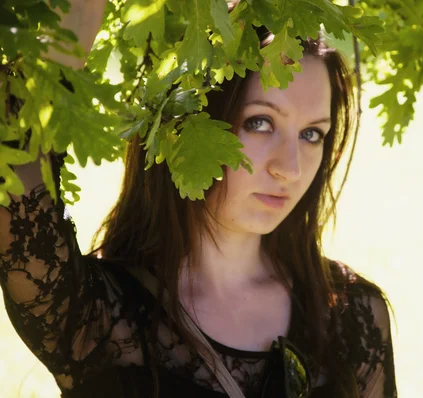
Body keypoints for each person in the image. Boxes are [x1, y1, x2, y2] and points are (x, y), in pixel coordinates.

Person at [0, 0, 397, 397]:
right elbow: (16, 168)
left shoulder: (354, 318)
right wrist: (67, 39)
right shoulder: (95, 314)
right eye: (259, 123)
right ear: (183, 124)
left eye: (312, 134)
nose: (290, 169)